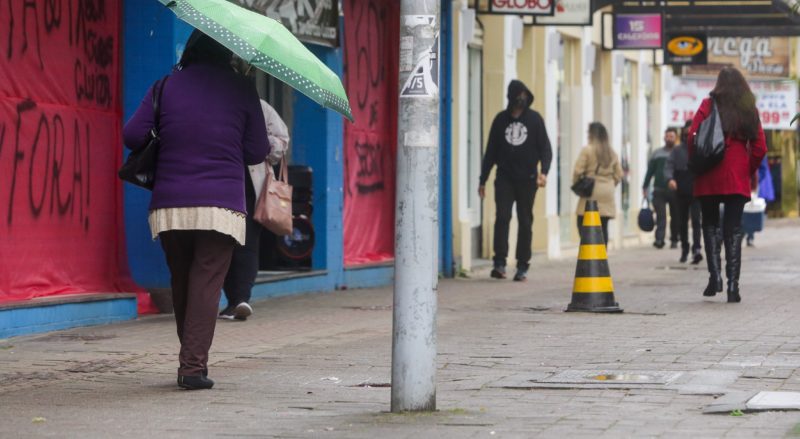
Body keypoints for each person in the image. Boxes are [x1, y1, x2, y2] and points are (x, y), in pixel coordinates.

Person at [123, 30, 269, 389]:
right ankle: (191, 367)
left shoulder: (165, 86)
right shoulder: (242, 88)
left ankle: (190, 359)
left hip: (170, 205)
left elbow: (132, 135)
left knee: (183, 280)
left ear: (190, 50)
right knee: (206, 281)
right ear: (227, 54)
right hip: (221, 206)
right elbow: (256, 152)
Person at [687, 66, 767, 303]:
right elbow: (760, 147)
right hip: (735, 173)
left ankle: (715, 278)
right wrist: (746, 170)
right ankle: (733, 286)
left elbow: (692, 137)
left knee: (710, 224)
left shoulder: (708, 104)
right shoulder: (748, 108)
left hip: (709, 173)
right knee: (733, 229)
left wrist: (698, 163)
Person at [219, 98, 290, 321]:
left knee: (247, 244)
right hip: (220, 185)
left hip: (252, 188)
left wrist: (260, 141)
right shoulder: (216, 105)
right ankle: (230, 300)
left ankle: (240, 299)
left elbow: (282, 141)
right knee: (222, 243)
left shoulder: (261, 107)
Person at [478, 80, 553, 282]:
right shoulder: (500, 120)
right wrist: (483, 179)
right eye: (518, 96)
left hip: (528, 179)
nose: (521, 99)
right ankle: (499, 263)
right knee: (502, 217)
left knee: (525, 220)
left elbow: (546, 149)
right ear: (510, 97)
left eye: (524, 96)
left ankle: (522, 265)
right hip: (504, 178)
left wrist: (544, 172)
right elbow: (490, 152)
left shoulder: (535, 120)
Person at [572, 122, 623, 244]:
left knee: (583, 222)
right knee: (603, 226)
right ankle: (602, 253)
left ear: (591, 134)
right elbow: (619, 174)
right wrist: (610, 183)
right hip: (607, 192)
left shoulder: (588, 150)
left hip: (591, 192)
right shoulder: (611, 152)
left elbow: (578, 171)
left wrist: (578, 183)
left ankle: (590, 251)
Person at [665, 120, 703, 264]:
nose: (689, 136)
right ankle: (685, 249)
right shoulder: (676, 151)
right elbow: (669, 166)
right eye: (687, 133)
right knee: (682, 222)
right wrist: (670, 179)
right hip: (681, 190)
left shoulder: (700, 149)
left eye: (692, 133)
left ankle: (697, 249)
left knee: (696, 220)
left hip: (697, 190)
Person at [643, 128, 679, 249]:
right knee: (661, 216)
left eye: (671, 136)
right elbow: (650, 171)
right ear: (664, 137)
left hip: (675, 191)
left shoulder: (679, 153)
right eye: (667, 136)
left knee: (675, 216)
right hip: (659, 190)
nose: (669, 139)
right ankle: (659, 240)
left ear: (676, 138)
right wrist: (645, 186)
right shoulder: (657, 153)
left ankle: (674, 239)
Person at [745, 156, 774, 247]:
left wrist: (756, 180)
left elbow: (763, 169)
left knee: (750, 208)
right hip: (741, 181)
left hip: (752, 183)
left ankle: (750, 236)